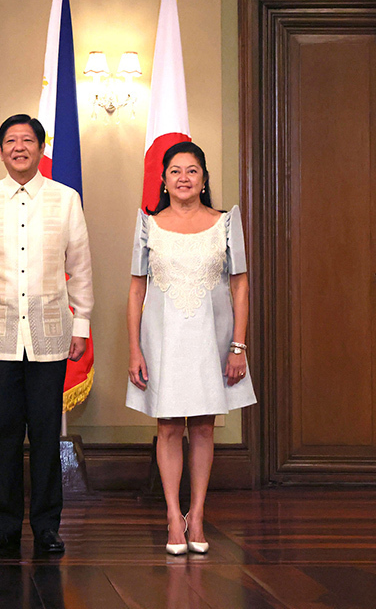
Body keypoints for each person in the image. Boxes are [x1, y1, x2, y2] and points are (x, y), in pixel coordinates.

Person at [0, 114, 93, 555]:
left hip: (51, 332)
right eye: (11, 141)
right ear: (0, 151)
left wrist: (83, 322)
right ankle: (6, 526)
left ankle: (48, 527)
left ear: (39, 147)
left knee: (47, 432)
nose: (19, 147)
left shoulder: (65, 200)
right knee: (6, 434)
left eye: (27, 140)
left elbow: (82, 268)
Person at [126, 141, 257, 555]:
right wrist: (134, 349)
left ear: (204, 179)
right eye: (175, 171)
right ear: (163, 180)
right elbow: (135, 290)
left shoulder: (225, 222)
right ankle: (172, 515)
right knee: (167, 427)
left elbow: (240, 285)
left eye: (193, 170)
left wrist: (238, 346)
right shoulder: (148, 224)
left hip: (211, 340)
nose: (184, 178)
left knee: (202, 426)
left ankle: (197, 514)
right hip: (161, 340)